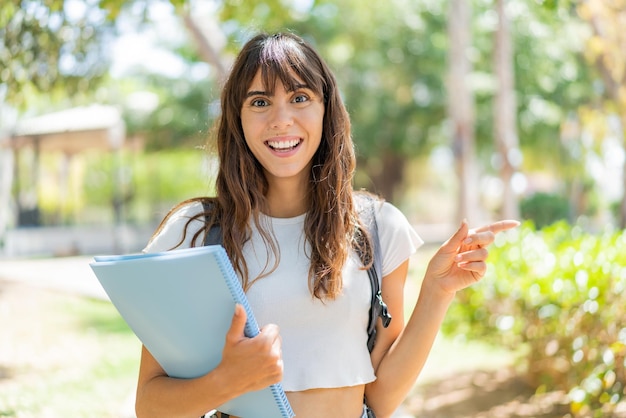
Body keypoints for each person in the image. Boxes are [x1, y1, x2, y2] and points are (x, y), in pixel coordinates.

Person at [134, 31, 519, 418]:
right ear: (238, 117)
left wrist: (437, 291)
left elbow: (382, 399)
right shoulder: (195, 234)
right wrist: (228, 381)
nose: (281, 120)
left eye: (299, 98)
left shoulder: (377, 227)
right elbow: (150, 406)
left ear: (326, 108)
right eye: (260, 102)